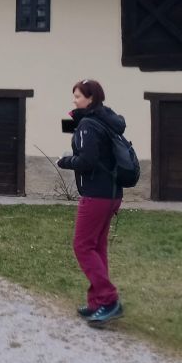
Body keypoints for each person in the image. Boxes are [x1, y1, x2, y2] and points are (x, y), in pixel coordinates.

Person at [56, 79, 126, 327]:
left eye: (78, 96)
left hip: (96, 194)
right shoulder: (106, 120)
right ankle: (98, 302)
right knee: (97, 246)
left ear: (91, 98)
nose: (74, 100)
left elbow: (87, 161)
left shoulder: (88, 124)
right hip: (112, 193)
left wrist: (65, 161)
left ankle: (108, 299)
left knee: (83, 246)